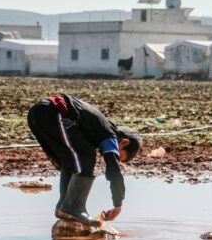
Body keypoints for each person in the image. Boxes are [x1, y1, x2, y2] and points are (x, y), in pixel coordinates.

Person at [27, 93, 141, 226]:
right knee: (87, 155)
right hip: (52, 112)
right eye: (119, 156)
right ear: (124, 143)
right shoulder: (110, 136)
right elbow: (113, 171)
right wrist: (118, 205)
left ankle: (63, 207)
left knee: (69, 160)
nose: (115, 157)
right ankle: (73, 207)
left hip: (36, 114)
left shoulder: (97, 131)